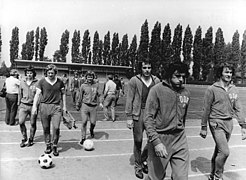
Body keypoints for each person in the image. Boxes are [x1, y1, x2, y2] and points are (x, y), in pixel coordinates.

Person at [199, 63, 246, 180]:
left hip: (229, 123)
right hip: (216, 122)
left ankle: (211, 175)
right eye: (226, 72)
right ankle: (218, 176)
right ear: (220, 73)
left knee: (219, 151)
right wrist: (203, 126)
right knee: (224, 152)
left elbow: (238, 108)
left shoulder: (234, 89)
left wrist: (243, 126)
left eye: (230, 72)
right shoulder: (212, 89)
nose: (229, 74)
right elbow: (206, 108)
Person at [144, 62, 190, 180]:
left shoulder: (185, 93)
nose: (181, 80)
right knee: (155, 177)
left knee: (181, 177)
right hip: (161, 138)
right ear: (169, 75)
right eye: (177, 76)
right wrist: (156, 142)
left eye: (183, 77)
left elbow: (183, 119)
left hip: (180, 139)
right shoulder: (156, 90)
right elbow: (148, 118)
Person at [125, 60, 160, 179]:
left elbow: (159, 99)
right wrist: (129, 117)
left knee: (152, 140)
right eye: (144, 67)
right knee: (138, 141)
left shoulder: (156, 81)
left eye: (149, 67)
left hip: (152, 114)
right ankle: (138, 166)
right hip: (138, 113)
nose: (147, 70)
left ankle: (144, 160)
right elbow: (129, 99)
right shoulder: (134, 81)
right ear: (140, 68)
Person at [32, 64, 67, 156]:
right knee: (46, 128)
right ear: (46, 73)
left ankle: (54, 145)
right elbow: (37, 95)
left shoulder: (60, 82)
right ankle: (48, 145)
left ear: (55, 73)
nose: (50, 74)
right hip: (44, 106)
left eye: (52, 73)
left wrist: (64, 107)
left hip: (56, 107)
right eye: (49, 73)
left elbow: (63, 94)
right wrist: (34, 106)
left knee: (56, 127)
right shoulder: (42, 82)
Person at [76, 71, 100, 145]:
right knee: (84, 122)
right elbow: (80, 96)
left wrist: (101, 102)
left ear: (93, 77)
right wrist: (78, 104)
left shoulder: (96, 85)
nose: (90, 78)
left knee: (93, 122)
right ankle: (83, 137)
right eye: (88, 77)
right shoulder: (83, 86)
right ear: (86, 77)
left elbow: (99, 94)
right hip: (85, 105)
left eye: (91, 77)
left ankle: (91, 130)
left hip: (93, 107)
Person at [18, 65, 39, 148]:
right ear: (25, 74)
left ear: (33, 74)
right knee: (21, 122)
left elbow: (39, 94)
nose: (29, 74)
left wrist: (37, 106)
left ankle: (31, 139)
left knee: (33, 123)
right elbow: (20, 93)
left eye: (31, 73)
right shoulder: (22, 82)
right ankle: (24, 138)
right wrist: (18, 104)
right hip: (23, 105)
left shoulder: (37, 82)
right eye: (27, 73)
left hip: (33, 106)